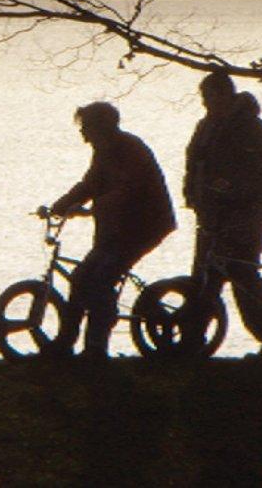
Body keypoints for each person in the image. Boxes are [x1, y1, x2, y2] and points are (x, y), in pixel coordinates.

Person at [43, 102, 175, 359]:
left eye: (86, 127)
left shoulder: (130, 149)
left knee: (101, 280)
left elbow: (129, 190)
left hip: (141, 227)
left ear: (101, 127)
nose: (83, 134)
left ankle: (96, 347)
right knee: (81, 278)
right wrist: (61, 205)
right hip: (116, 228)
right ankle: (65, 342)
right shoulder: (103, 152)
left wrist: (95, 207)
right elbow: (89, 184)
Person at [181, 71, 262, 358]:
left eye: (210, 97)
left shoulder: (250, 128)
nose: (206, 104)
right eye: (204, 98)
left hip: (246, 214)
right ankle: (192, 341)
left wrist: (230, 190)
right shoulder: (207, 126)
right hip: (211, 214)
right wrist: (193, 194)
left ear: (225, 95)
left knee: (241, 275)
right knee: (204, 277)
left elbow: (259, 173)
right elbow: (194, 163)